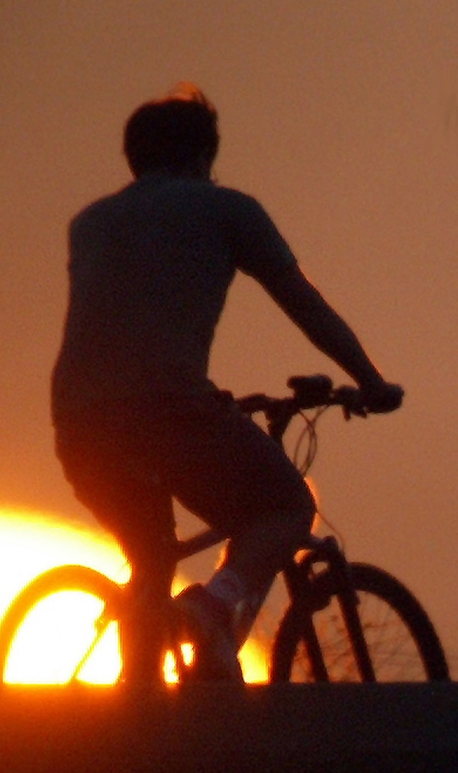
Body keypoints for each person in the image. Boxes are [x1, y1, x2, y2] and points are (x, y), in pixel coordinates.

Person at [51, 84, 403, 682]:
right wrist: (368, 379)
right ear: (204, 156)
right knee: (289, 505)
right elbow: (305, 305)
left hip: (79, 422)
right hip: (168, 409)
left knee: (152, 565)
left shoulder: (91, 223)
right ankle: (213, 607)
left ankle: (138, 721)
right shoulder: (226, 210)